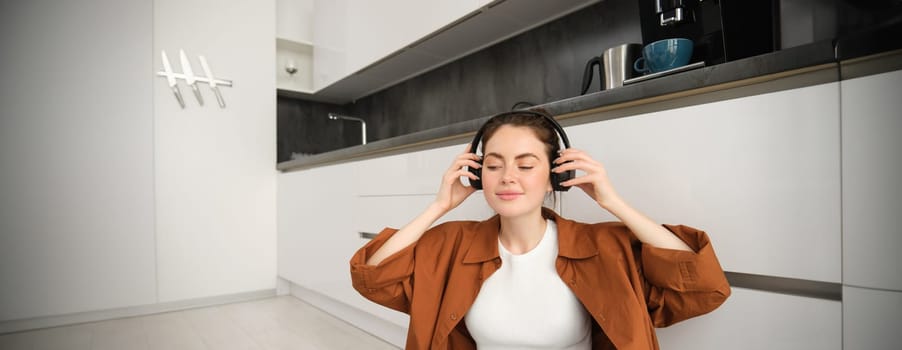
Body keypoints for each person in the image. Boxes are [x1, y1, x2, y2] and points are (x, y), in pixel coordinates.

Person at [350, 110, 730, 349]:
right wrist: (439, 206)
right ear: (479, 175)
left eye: (526, 165)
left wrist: (614, 202)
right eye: (494, 165)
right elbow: (373, 277)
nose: (507, 177)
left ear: (556, 177)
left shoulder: (605, 247)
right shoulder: (450, 244)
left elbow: (705, 286)